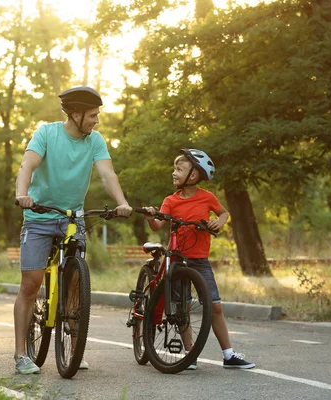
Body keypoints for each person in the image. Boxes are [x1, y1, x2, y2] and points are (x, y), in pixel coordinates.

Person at [13, 86, 133, 374]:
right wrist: (22, 194)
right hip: (40, 217)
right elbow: (27, 165)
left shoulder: (95, 140)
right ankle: (20, 355)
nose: (97, 120)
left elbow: (107, 173)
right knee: (31, 284)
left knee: (76, 284)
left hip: (72, 218)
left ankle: (75, 349)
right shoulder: (47, 133)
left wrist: (122, 202)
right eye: (92, 115)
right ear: (75, 114)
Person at [143, 148, 255, 370]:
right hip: (177, 260)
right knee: (182, 308)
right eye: (174, 168)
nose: (174, 172)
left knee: (215, 307)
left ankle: (229, 355)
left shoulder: (207, 197)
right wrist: (150, 217)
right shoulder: (170, 201)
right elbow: (157, 225)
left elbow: (223, 213)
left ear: (193, 175)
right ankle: (189, 353)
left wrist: (219, 222)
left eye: (179, 169)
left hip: (199, 261)